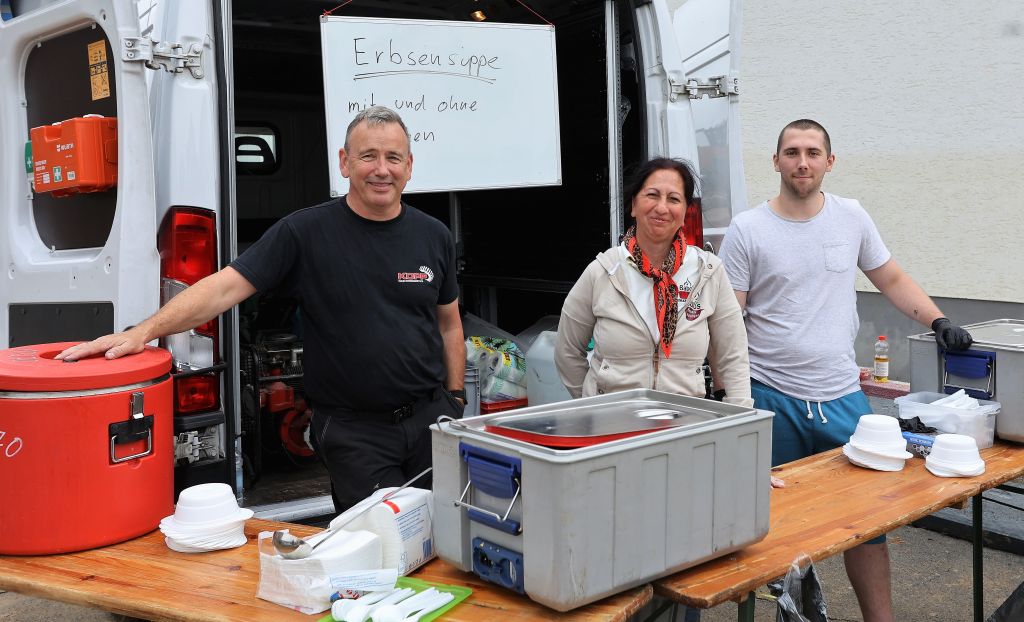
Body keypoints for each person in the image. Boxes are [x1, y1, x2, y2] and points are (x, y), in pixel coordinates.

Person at [57, 106, 467, 513]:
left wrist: (455, 398)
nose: (382, 169)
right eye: (368, 156)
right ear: (344, 163)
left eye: (393, 157)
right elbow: (222, 289)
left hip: (431, 420)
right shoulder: (304, 233)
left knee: (445, 537)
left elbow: (449, 326)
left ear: (409, 166)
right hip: (355, 432)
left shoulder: (433, 236)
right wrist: (141, 332)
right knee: (387, 541)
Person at [719, 119, 973, 622]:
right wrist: (733, 401)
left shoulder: (851, 217)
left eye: (813, 152)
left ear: (829, 162)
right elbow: (729, 322)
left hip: (842, 400)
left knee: (869, 523)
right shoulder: (748, 229)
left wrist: (938, 319)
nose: (802, 162)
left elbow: (892, 277)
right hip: (770, 397)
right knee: (764, 529)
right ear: (776, 162)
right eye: (791, 152)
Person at [555, 157, 752, 408]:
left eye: (674, 199)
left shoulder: (708, 272)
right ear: (634, 204)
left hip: (684, 421)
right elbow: (567, 351)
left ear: (684, 213)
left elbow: (733, 355)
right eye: (652, 195)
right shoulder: (603, 271)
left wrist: (740, 415)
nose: (662, 207)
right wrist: (593, 404)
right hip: (612, 426)